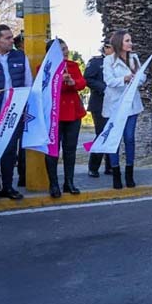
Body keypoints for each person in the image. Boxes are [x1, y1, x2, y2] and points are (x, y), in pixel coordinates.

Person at [43, 38, 86, 198]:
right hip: (54, 114)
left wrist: (73, 81)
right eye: (61, 49)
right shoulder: (44, 68)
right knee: (52, 150)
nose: (66, 51)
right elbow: (44, 89)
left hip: (73, 113)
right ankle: (53, 184)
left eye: (66, 48)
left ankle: (69, 182)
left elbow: (82, 83)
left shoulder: (73, 65)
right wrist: (60, 82)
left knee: (70, 150)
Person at [102, 30, 144, 190]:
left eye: (130, 40)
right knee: (114, 141)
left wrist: (137, 78)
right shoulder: (108, 60)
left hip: (132, 105)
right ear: (120, 42)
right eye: (127, 40)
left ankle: (129, 173)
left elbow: (142, 77)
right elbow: (109, 81)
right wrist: (124, 79)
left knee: (129, 138)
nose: (130, 43)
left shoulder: (134, 58)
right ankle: (116, 174)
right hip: (115, 106)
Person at [0, 24, 32, 201]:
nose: (12, 41)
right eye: (8, 38)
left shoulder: (20, 56)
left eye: (11, 37)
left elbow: (28, 84)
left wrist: (25, 109)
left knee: (10, 151)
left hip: (13, 114)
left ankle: (8, 187)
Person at [85, 41, 113, 177]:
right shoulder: (96, 62)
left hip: (114, 104)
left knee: (113, 135)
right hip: (99, 104)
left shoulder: (118, 62)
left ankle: (110, 166)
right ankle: (93, 167)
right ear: (106, 48)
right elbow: (88, 79)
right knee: (101, 135)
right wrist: (104, 88)